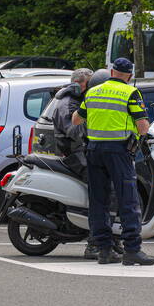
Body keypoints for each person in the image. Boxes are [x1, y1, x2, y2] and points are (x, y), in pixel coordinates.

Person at [71, 57, 154, 266]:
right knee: (128, 200)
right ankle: (132, 251)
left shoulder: (93, 92)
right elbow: (143, 125)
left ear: (111, 72)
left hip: (94, 151)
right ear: (129, 75)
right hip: (119, 151)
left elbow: (76, 119)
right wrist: (141, 138)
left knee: (98, 201)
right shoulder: (130, 92)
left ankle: (104, 250)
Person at [52, 68, 125, 260]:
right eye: (89, 85)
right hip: (74, 154)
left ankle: (112, 239)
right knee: (104, 192)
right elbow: (76, 132)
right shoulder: (67, 104)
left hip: (85, 151)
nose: (91, 89)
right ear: (78, 85)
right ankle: (95, 244)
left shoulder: (77, 100)